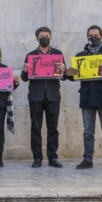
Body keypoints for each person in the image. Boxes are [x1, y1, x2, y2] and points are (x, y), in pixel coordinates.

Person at [65, 25, 102, 171]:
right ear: (87, 37)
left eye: (96, 35)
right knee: (87, 131)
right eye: (90, 35)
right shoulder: (80, 56)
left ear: (101, 37)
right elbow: (75, 78)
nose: (93, 38)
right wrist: (69, 74)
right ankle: (87, 159)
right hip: (87, 97)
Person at [21, 26, 67, 168]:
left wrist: (64, 71)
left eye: (47, 35)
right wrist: (24, 71)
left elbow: (64, 77)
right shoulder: (30, 55)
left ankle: (53, 158)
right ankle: (37, 158)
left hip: (53, 95)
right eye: (42, 36)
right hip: (36, 96)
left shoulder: (58, 54)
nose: (44, 38)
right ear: (37, 39)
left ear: (51, 37)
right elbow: (24, 78)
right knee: (36, 128)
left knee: (53, 128)